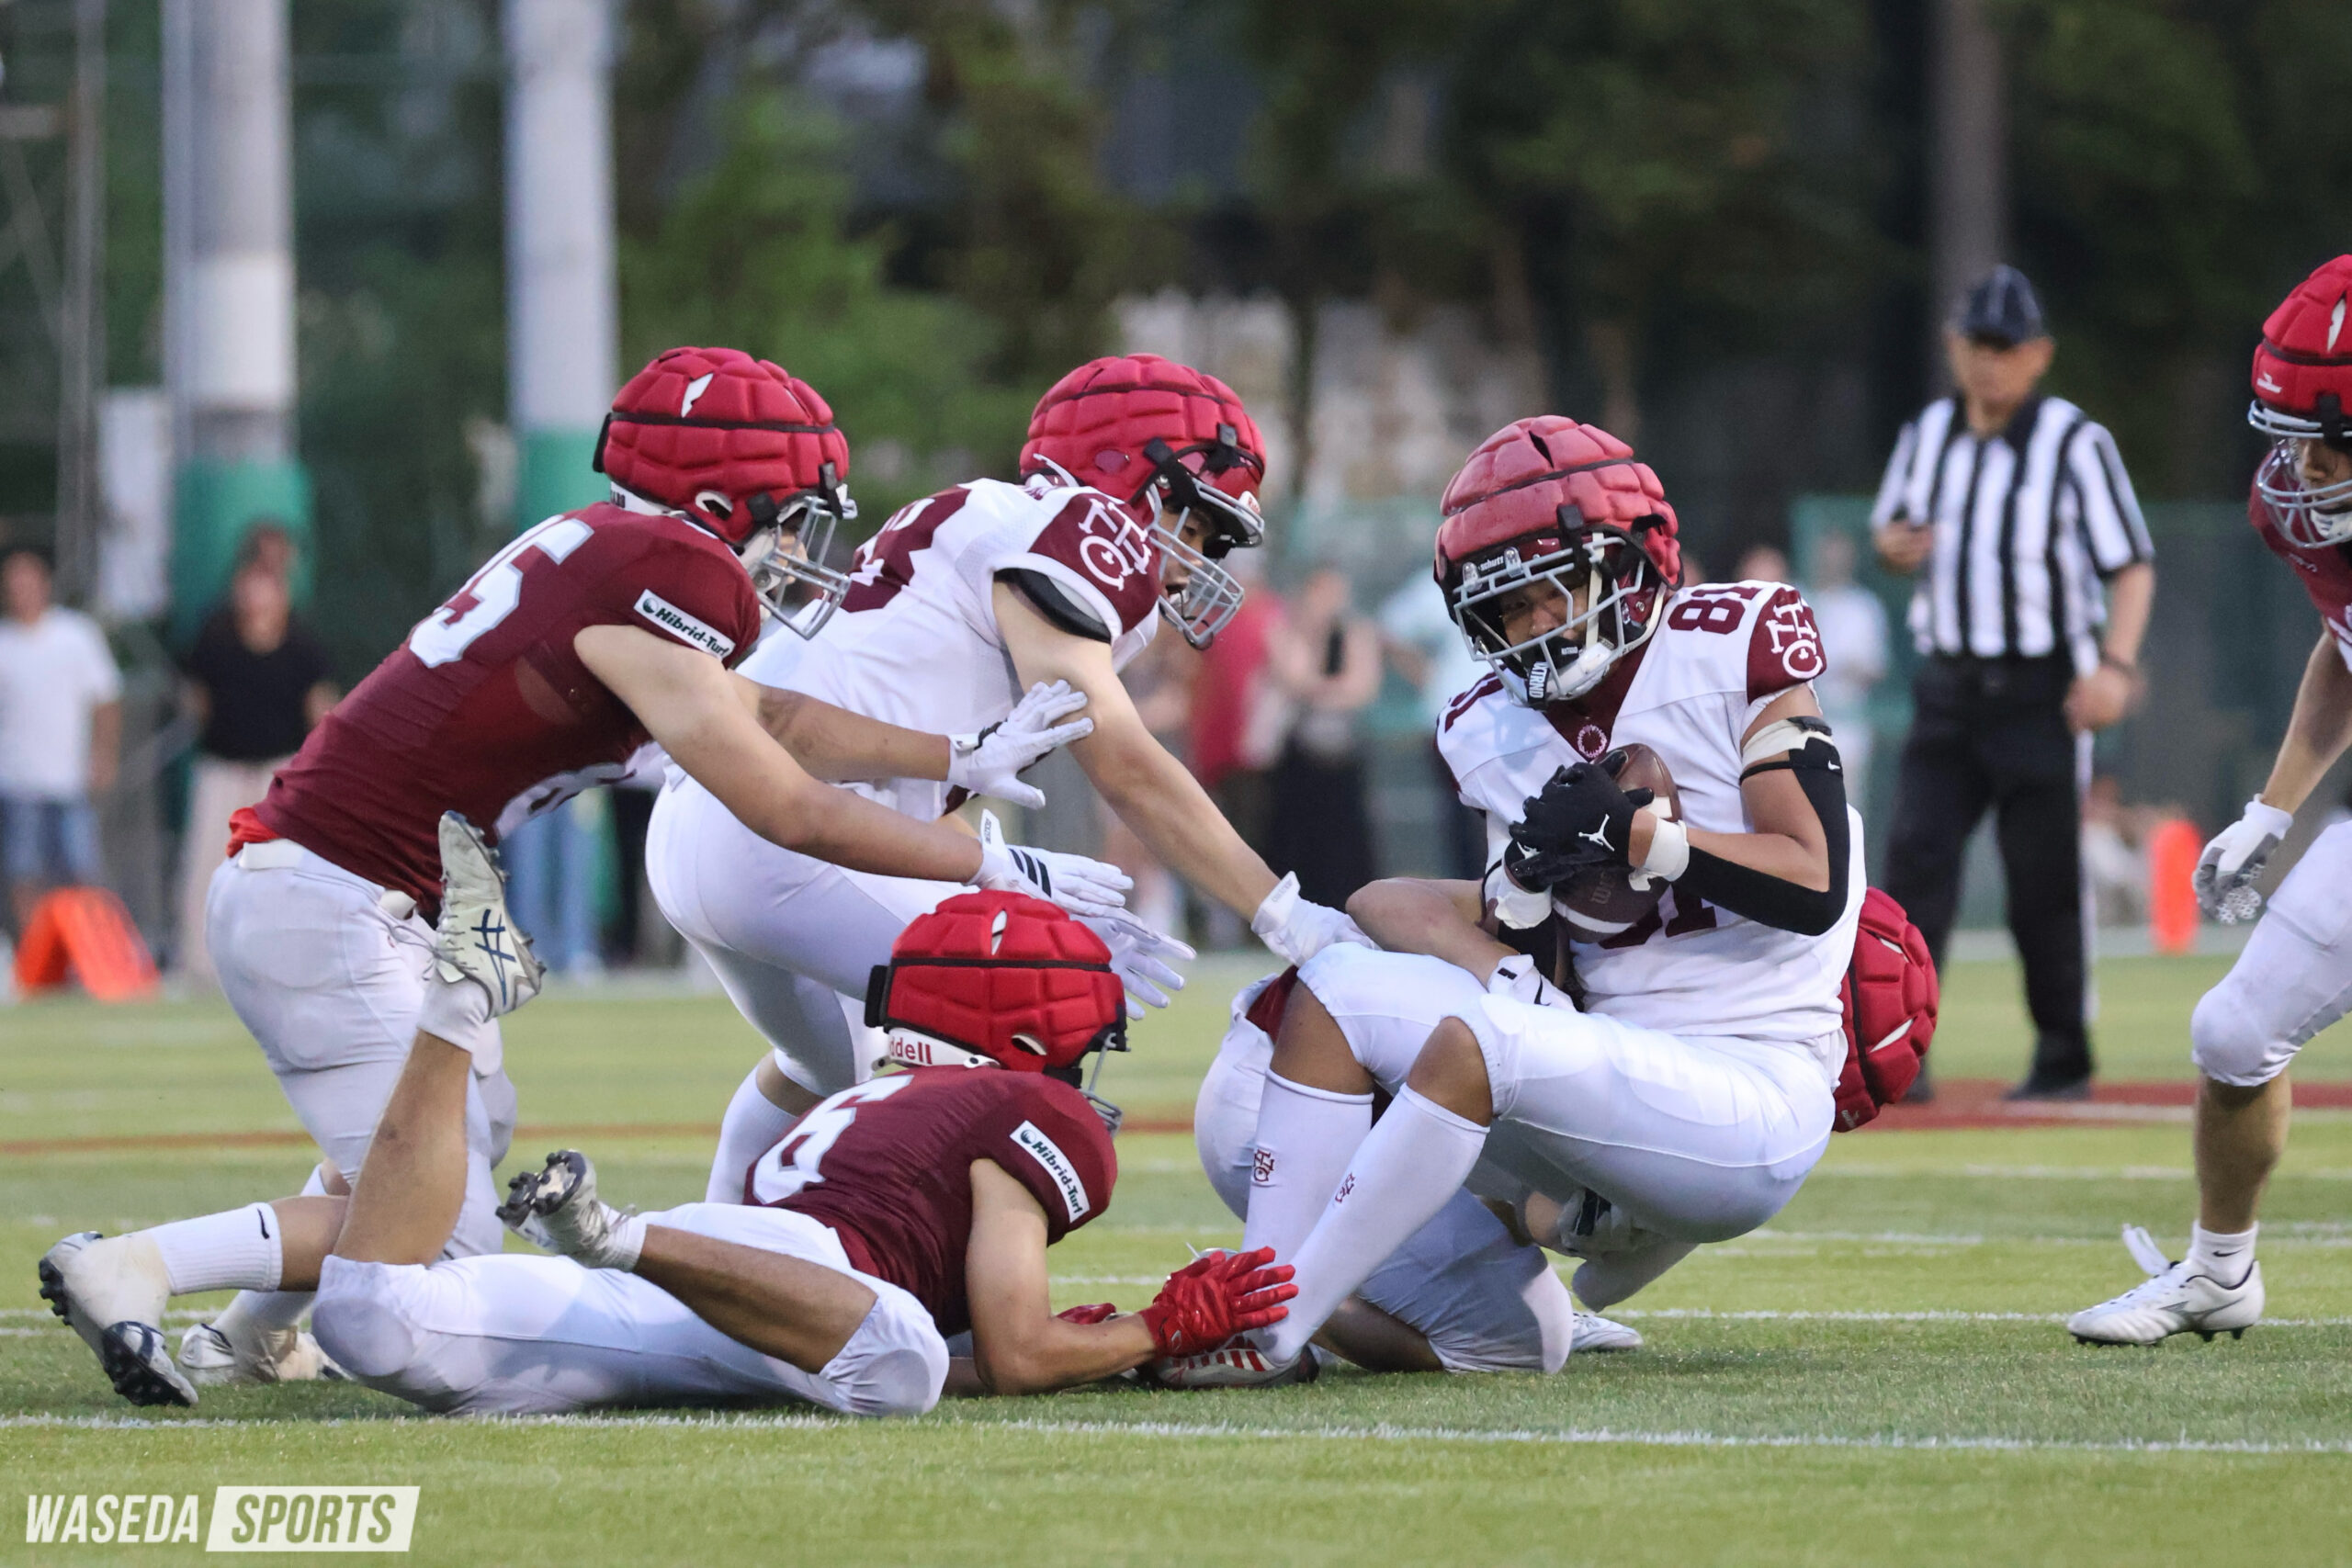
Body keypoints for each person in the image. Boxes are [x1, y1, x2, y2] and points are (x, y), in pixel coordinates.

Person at [143, 346, 1125, 1393]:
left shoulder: (601, 546)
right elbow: (787, 807)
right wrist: (986, 863)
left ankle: (240, 1336)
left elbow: (773, 716)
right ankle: (138, 1267)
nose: (799, 546)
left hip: (341, 879)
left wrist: (951, 759)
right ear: (716, 498)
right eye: (791, 515)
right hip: (343, 890)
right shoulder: (677, 574)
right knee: (439, 1252)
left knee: (456, 1124)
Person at [39, 823, 1293, 1411]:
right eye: (1078, 1034)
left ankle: (468, 1024)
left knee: (386, 1307)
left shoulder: (865, 1094)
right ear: (1026, 1030)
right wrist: (1148, 1325)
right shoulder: (1025, 1109)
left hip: (736, 1268)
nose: (1084, 1067)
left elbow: (891, 1331)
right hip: (742, 1270)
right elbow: (1008, 1351)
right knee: (905, 1364)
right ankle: (575, 1171)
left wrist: (1125, 1340)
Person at [1160, 415, 1871, 1386]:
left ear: (1630, 561)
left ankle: (1275, 1330)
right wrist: (1524, 910)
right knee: (1313, 1000)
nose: (1536, 629)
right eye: (1507, 611)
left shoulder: (1730, 640)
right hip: (1598, 1062)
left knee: (1480, 1043)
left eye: (1549, 594)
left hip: (1742, 1085)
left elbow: (1813, 882)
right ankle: (1270, 1291)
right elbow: (1543, 958)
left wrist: (1634, 837)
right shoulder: (1487, 724)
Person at [647, 354, 1373, 1213]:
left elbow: (916, 772)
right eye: (1199, 523)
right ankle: (950, 1302)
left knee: (823, 1065)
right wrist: (1280, 909)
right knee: (1024, 1015)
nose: (1202, 559)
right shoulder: (1078, 526)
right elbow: (1126, 762)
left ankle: (706, 1268)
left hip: (713, 824)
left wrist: (1007, 874)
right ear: (1133, 484)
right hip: (785, 843)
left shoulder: (989, 520)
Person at [2068, 254, 2352, 1345]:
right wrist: (2273, 811)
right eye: (2288, 436)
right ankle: (2218, 1272)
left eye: (2321, 441)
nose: (2298, 469)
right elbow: (2344, 648)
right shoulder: (2304, 513)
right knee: (2233, 1031)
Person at [1871, 265, 2154, 1100]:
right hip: (1949, 685)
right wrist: (1893, 549)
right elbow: (1889, 528)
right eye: (1976, 345)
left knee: (2043, 882)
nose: (1989, 363)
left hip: (2040, 691)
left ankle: (2062, 1055)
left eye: (2005, 347)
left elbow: (2131, 565)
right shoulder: (1927, 433)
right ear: (1954, 348)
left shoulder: (2075, 441)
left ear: (2038, 355)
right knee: (1915, 868)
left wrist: (2115, 666)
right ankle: (1898, 1055)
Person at [175, 548, 337, 984]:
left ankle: (288, 961)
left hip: (277, 774)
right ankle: (200, 964)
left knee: (286, 870)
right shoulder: (215, 641)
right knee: (207, 867)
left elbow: (320, 712)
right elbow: (197, 702)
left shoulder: (303, 647)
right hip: (223, 769)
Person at [0, 546, 121, 930]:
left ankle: (88, 955)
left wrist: (103, 756)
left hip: (69, 778)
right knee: (24, 872)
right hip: (16, 780)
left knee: (81, 871)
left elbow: (105, 700)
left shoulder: (75, 635)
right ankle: (37, 963)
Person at [1264, 565, 1383, 907]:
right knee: (1296, 838)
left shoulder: (1355, 633)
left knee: (1345, 840)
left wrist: (1320, 688)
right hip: (1301, 753)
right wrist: (1312, 635)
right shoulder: (1291, 631)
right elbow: (1292, 679)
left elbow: (1361, 688)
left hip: (1342, 751)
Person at [1379, 556, 1491, 880]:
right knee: (1473, 825)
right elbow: (1390, 626)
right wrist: (1427, 675)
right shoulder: (1454, 579)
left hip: (1492, 718)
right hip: (1462, 725)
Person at [1801, 530, 1890, 813]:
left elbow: (1876, 670)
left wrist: (1845, 667)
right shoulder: (1799, 597)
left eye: (1840, 554)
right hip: (1799, 731)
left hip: (1850, 733)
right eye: (1828, 553)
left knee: (1845, 812)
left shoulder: (1864, 606)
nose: (1833, 560)